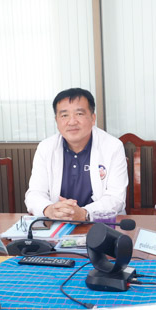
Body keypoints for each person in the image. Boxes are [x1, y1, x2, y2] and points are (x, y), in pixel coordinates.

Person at [25, 88, 127, 220]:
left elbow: (115, 197)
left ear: (93, 118)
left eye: (79, 114)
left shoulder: (113, 147)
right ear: (57, 121)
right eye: (64, 115)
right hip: (58, 222)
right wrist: (49, 209)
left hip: (101, 222)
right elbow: (35, 193)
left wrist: (84, 213)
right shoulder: (46, 148)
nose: (72, 122)